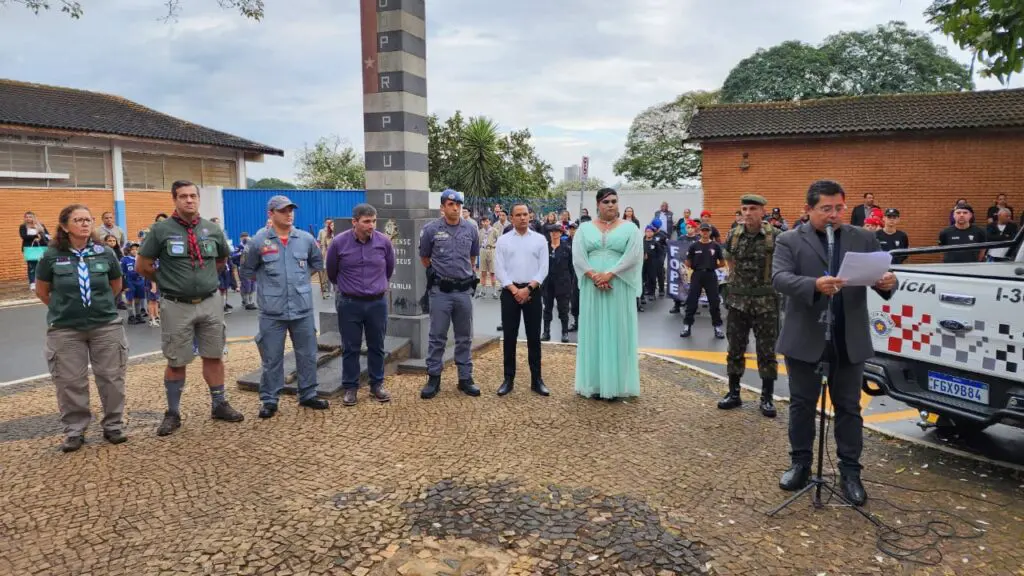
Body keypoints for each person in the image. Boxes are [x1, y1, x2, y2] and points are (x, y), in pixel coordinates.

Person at [773, 179, 897, 506]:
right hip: (806, 338)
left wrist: (888, 282)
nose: (834, 215)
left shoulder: (864, 237)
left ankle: (850, 472)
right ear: (808, 210)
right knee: (801, 406)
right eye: (825, 209)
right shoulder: (788, 240)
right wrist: (814, 284)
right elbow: (779, 278)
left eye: (839, 208)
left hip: (848, 338)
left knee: (849, 408)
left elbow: (882, 282)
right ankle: (800, 464)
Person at [138, 180, 245, 436]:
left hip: (209, 302)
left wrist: (202, 282)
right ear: (174, 199)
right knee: (177, 359)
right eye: (183, 196)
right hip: (177, 304)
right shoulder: (160, 230)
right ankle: (173, 412)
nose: (189, 200)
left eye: (193, 196)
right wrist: (168, 283)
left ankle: (219, 403)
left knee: (214, 354)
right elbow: (143, 265)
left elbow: (221, 261)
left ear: (198, 199)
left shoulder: (212, 229)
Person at [34, 204, 128, 452]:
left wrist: (98, 306)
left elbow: (115, 284)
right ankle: (75, 431)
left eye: (88, 219)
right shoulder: (51, 255)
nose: (85, 224)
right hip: (66, 329)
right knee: (69, 381)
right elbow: (43, 291)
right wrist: (65, 308)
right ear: (65, 226)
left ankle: (113, 426)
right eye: (78, 220)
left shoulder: (105, 252)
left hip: (105, 325)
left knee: (111, 378)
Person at [240, 195, 327, 418]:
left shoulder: (305, 239)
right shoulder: (258, 241)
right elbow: (247, 270)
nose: (289, 214)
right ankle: (270, 399)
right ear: (271, 214)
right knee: (271, 357)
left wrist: (300, 280)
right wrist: (269, 285)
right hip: (272, 311)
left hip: (302, 307)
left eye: (291, 210)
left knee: (307, 354)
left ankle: (308, 394)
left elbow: (317, 263)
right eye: (283, 210)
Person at [573, 188, 643, 400]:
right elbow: (578, 256)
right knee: (593, 331)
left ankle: (617, 384)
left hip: (618, 287)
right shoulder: (584, 229)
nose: (611, 205)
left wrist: (610, 274)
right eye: (606, 202)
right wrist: (594, 276)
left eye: (614, 201)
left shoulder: (630, 228)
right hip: (592, 287)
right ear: (597, 204)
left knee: (618, 331)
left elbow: (633, 256)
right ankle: (593, 383)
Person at [325, 203, 395, 406]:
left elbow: (388, 269)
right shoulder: (339, 243)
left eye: (374, 221)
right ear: (354, 222)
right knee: (350, 347)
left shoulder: (383, 242)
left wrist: (376, 287)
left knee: (377, 345)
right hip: (349, 303)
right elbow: (332, 272)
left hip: (377, 303)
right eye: (366, 221)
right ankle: (350, 387)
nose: (371, 225)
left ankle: (377, 385)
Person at [720, 194, 780, 416]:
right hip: (738, 302)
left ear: (763, 212)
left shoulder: (775, 236)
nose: (747, 213)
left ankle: (767, 397)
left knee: (767, 351)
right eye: (744, 209)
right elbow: (729, 259)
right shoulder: (734, 235)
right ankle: (734, 393)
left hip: (765, 303)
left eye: (753, 209)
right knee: (735, 348)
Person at [419, 189, 481, 399]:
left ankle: (465, 378)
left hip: (463, 291)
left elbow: (472, 258)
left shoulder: (471, 229)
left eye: (458, 205)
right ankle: (434, 378)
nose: (455, 208)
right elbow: (425, 257)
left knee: (465, 337)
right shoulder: (430, 229)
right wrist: (440, 276)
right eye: (451, 204)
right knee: (437, 337)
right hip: (441, 292)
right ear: (442, 207)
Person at [493, 204, 550, 397]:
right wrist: (514, 289)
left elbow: (544, 268)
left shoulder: (540, 240)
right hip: (510, 292)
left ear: (530, 216)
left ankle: (537, 380)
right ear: (511, 217)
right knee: (510, 338)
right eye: (518, 215)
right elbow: (499, 268)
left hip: (532, 291)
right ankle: (508, 379)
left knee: (534, 338)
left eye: (525, 214)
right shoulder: (503, 240)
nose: (523, 218)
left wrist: (528, 288)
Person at [680, 223, 725, 339]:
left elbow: (722, 262)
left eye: (707, 231)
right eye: (703, 230)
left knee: (714, 302)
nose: (705, 233)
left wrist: (712, 266)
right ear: (699, 232)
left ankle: (717, 327)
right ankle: (687, 326)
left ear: (710, 232)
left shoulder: (715, 246)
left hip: (711, 275)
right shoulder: (694, 246)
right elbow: (688, 262)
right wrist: (691, 265)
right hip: (697, 275)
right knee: (692, 301)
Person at [540, 222, 573, 343]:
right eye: (552, 232)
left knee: (563, 309)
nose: (554, 234)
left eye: (557, 232)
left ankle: (564, 332)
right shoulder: (545, 248)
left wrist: (570, 283)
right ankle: (546, 331)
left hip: (563, 283)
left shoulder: (567, 248)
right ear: (550, 233)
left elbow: (571, 268)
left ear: (560, 233)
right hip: (548, 283)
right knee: (547, 309)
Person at [20, 211, 50, 290]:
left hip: (41, 248)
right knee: (31, 266)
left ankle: (43, 282)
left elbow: (47, 235)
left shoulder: (40, 225)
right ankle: (32, 282)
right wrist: (36, 236)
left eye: (30, 217)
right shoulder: (23, 227)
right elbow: (24, 236)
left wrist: (42, 236)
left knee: (42, 266)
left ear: (34, 217)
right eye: (26, 217)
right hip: (30, 249)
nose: (28, 218)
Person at [121, 243, 148, 324]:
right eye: (133, 249)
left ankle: (138, 315)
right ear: (129, 250)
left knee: (138, 299)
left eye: (136, 249)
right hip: (130, 281)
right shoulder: (125, 259)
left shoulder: (141, 259)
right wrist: (124, 285)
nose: (135, 251)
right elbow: (121, 273)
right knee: (129, 299)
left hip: (140, 281)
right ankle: (131, 316)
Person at [476, 215, 502, 299]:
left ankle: (494, 291)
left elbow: (499, 241)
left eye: (486, 221)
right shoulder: (480, 231)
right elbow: (478, 242)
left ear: (489, 221)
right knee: (483, 272)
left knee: (492, 272)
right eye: (483, 221)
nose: (485, 223)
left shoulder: (494, 231)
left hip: (491, 250)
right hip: (483, 250)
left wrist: (495, 248)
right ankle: (482, 290)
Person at [566, 222, 580, 332]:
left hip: (580, 273)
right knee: (573, 300)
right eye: (570, 229)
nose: (572, 231)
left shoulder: (581, 242)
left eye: (574, 229)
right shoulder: (565, 242)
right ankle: (575, 321)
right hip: (569, 274)